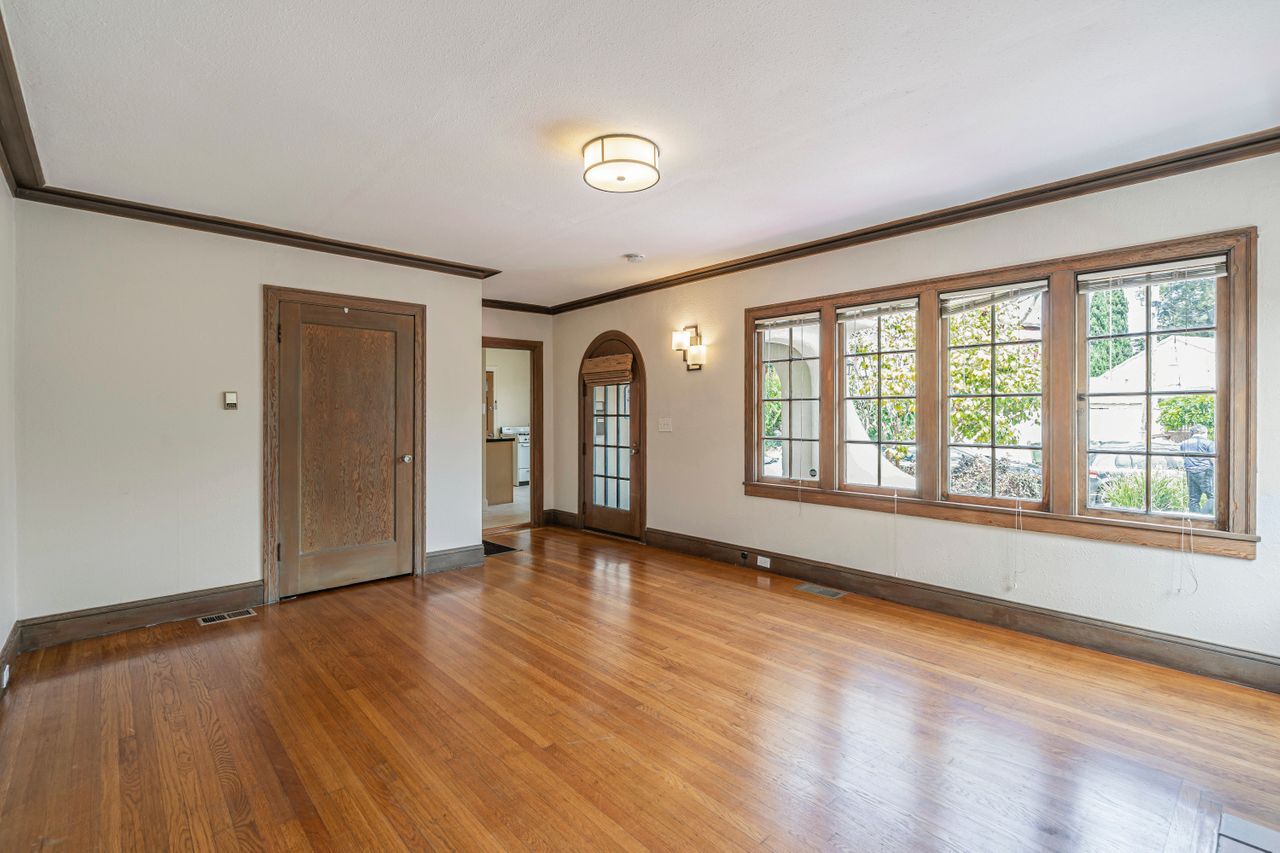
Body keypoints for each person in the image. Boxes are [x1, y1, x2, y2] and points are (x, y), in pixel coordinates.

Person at [1179, 425, 1215, 515]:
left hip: (1190, 472)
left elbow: (1183, 457)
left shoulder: (1184, 443)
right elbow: (1213, 460)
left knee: (1193, 499)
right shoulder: (1209, 443)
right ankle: (1203, 517)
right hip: (1205, 472)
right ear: (1204, 432)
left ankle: (1195, 521)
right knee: (1213, 497)